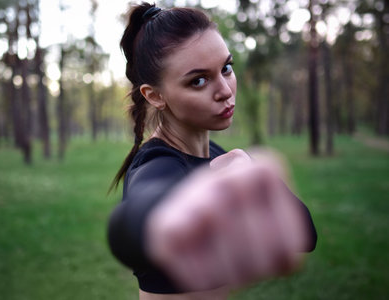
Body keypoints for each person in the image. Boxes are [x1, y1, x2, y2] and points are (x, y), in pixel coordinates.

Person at [108, 2, 317, 299]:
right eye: (199, 80)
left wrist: (248, 171)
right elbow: (140, 213)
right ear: (155, 96)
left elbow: (306, 236)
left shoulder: (218, 154)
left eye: (226, 68)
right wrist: (159, 222)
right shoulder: (156, 163)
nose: (226, 90)